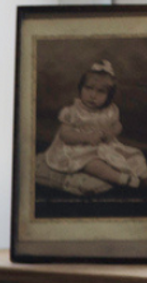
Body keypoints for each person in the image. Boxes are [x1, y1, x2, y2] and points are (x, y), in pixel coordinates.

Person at [42, 59, 147, 190]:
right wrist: (86, 137)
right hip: (77, 149)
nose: (93, 95)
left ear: (109, 96)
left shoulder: (110, 111)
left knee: (133, 155)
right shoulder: (73, 111)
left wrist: (111, 132)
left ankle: (143, 175)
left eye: (100, 91)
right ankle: (120, 178)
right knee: (92, 164)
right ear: (81, 88)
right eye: (88, 88)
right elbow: (65, 134)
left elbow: (117, 125)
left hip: (104, 145)